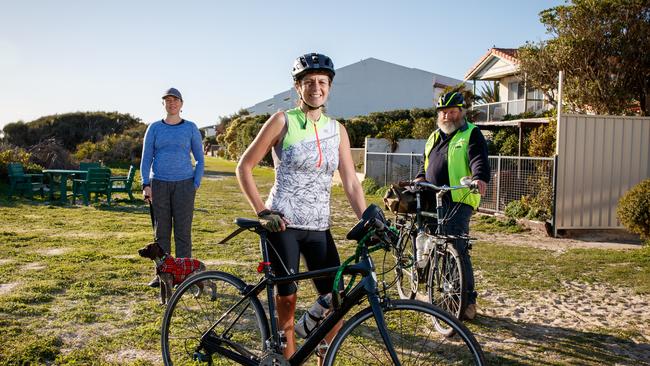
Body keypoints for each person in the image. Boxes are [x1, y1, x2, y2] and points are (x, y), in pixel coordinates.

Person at [236, 53, 366, 363]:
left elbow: (350, 182)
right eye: (309, 82)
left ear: (329, 87)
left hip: (319, 226)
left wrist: (367, 219)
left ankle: (325, 357)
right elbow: (245, 167)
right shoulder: (283, 120)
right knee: (289, 298)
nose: (316, 88)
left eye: (322, 82)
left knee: (336, 300)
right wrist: (261, 211)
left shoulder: (338, 130)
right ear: (298, 87)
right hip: (284, 225)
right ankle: (289, 357)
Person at [415, 90, 490, 320]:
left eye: (451, 112)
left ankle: (466, 302)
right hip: (432, 198)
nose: (447, 116)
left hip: (459, 199)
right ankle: (441, 292)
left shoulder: (471, 133)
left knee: (456, 247)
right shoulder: (434, 137)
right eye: (443, 112)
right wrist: (419, 178)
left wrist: (479, 178)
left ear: (461, 112)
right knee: (433, 244)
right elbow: (425, 163)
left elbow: (478, 159)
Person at [140, 87, 205, 287]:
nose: (172, 103)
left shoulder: (191, 128)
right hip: (159, 184)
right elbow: (145, 158)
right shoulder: (154, 128)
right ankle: (162, 275)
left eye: (175, 100)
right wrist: (146, 184)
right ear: (164, 104)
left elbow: (200, 159)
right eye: (168, 100)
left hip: (185, 185)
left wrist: (195, 183)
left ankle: (186, 276)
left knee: (183, 231)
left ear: (181, 104)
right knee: (161, 232)